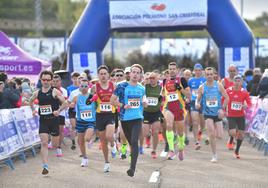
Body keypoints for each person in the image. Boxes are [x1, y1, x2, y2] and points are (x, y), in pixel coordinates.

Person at [110, 64, 146, 177]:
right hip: (125, 119)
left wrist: (145, 103)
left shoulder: (142, 88)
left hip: (137, 118)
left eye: (137, 73)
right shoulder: (122, 86)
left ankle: (132, 168)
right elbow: (112, 100)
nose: (135, 74)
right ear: (130, 74)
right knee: (131, 143)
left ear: (140, 75)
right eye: (133, 72)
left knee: (134, 142)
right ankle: (133, 158)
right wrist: (122, 105)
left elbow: (144, 100)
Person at [29, 70, 67, 175]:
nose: (45, 82)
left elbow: (65, 103)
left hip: (54, 121)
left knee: (54, 145)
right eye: (44, 80)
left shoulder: (55, 92)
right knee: (44, 143)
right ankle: (45, 166)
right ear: (41, 80)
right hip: (43, 121)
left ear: (51, 81)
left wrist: (58, 111)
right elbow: (30, 101)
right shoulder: (37, 93)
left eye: (48, 80)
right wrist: (33, 110)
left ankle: (55, 146)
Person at [196, 67, 229, 163]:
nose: (210, 76)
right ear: (205, 75)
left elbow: (227, 97)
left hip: (217, 113)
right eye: (208, 74)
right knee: (211, 133)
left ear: (214, 75)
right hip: (207, 113)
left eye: (211, 74)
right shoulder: (202, 87)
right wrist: (197, 104)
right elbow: (197, 100)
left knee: (220, 136)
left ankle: (209, 137)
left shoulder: (218, 85)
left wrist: (222, 108)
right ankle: (214, 155)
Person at [90, 65, 117, 173]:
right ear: (98, 75)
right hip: (100, 115)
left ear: (108, 75)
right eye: (101, 74)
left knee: (109, 135)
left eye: (105, 73)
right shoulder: (94, 87)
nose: (103, 76)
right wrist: (92, 98)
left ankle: (113, 144)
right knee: (103, 141)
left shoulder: (113, 85)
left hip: (111, 114)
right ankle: (106, 162)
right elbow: (89, 100)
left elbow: (118, 97)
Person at [162, 62, 191, 160]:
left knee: (180, 133)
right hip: (168, 107)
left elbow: (188, 95)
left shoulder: (182, 80)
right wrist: (160, 98)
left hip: (179, 108)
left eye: (174, 69)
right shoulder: (165, 81)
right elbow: (163, 93)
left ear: (177, 70)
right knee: (169, 125)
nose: (172, 70)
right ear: (168, 70)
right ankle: (171, 150)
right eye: (170, 69)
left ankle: (181, 148)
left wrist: (179, 88)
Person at [71, 78, 96, 167]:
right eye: (82, 86)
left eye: (86, 86)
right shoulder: (76, 97)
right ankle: (84, 158)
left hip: (90, 121)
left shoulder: (92, 96)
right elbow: (68, 103)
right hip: (80, 121)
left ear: (88, 87)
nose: (84, 88)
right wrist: (68, 106)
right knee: (81, 141)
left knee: (87, 138)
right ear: (79, 87)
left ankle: (92, 138)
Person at [226, 75, 251, 158]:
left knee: (241, 135)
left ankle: (237, 151)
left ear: (242, 82)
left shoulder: (244, 92)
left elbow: (249, 103)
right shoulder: (228, 91)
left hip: (240, 116)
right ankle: (231, 139)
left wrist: (246, 106)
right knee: (233, 132)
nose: (237, 83)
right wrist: (223, 107)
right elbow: (223, 99)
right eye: (236, 81)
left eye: (239, 81)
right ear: (233, 82)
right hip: (231, 115)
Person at [142, 71, 163, 159]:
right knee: (145, 133)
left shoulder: (160, 88)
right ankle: (148, 135)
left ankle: (154, 150)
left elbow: (163, 100)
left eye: (153, 78)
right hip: (146, 113)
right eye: (150, 78)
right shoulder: (145, 87)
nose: (151, 80)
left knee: (155, 132)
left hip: (156, 113)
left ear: (157, 79)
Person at [188, 64, 206, 150]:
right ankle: (196, 142)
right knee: (195, 122)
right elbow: (187, 91)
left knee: (203, 124)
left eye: (199, 70)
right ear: (194, 71)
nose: (198, 72)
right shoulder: (191, 81)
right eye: (196, 70)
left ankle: (200, 131)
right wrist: (187, 98)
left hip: (203, 103)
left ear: (202, 71)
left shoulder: (205, 80)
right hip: (193, 102)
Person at [52, 74, 68, 156]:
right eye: (54, 81)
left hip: (61, 113)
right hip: (51, 113)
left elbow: (64, 102)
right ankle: (52, 142)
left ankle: (59, 147)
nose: (55, 83)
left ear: (60, 81)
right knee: (53, 130)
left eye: (57, 81)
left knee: (60, 130)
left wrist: (59, 110)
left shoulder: (64, 91)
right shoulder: (49, 90)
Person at [67, 72, 80, 150]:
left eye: (77, 78)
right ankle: (73, 142)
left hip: (80, 110)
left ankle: (79, 141)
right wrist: (70, 104)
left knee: (80, 127)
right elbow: (68, 99)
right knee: (73, 125)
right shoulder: (69, 88)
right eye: (74, 78)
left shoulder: (82, 87)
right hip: (72, 109)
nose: (75, 80)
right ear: (71, 79)